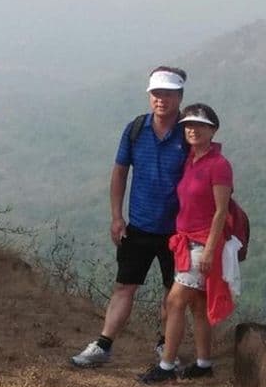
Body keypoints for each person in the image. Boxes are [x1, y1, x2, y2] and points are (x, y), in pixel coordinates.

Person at [71, 66, 188, 367]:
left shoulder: (188, 133)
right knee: (125, 286)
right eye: (156, 94)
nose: (161, 99)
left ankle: (166, 345)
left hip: (178, 230)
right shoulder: (136, 129)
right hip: (139, 225)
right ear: (149, 96)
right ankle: (103, 344)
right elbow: (120, 172)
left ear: (180, 96)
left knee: (173, 293)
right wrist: (116, 216)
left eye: (168, 94)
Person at [138, 103, 236, 384]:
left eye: (199, 125)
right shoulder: (191, 160)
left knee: (174, 301)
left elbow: (221, 211)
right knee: (199, 306)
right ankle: (204, 363)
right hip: (187, 242)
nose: (192, 129)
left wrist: (208, 250)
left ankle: (166, 366)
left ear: (212, 130)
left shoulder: (219, 165)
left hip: (202, 245)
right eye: (188, 125)